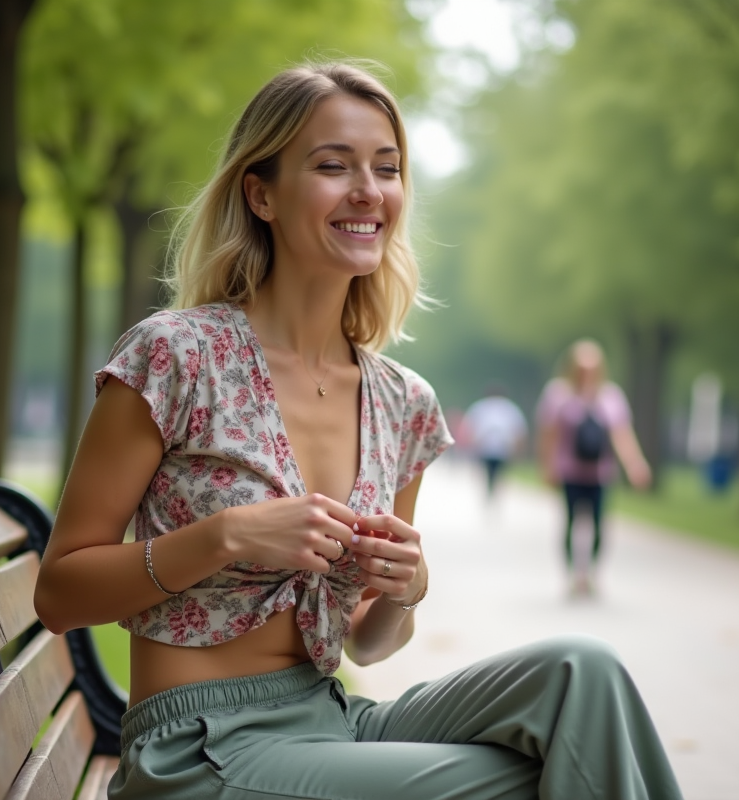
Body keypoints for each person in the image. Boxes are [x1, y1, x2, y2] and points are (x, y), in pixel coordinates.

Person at [35, 62, 682, 800]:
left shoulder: (402, 403)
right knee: (548, 777)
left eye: (388, 168)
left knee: (583, 675)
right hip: (197, 750)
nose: (369, 190)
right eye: (333, 166)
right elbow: (59, 592)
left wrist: (407, 588)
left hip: (330, 721)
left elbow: (367, 643)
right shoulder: (177, 355)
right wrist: (227, 536)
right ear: (262, 194)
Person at [537, 340, 651, 595]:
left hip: (600, 473)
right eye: (581, 368)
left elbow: (622, 435)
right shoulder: (558, 394)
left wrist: (635, 464)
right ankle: (572, 574)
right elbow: (549, 435)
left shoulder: (611, 397)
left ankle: (590, 573)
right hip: (569, 471)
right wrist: (548, 466)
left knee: (600, 525)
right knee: (570, 522)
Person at [461, 387, 528, 501]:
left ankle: (490, 490)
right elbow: (519, 430)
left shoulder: (481, 407)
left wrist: (471, 445)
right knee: (496, 472)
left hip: (488, 448)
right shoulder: (510, 408)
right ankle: (492, 490)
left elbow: (470, 427)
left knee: (490, 472)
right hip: (501, 448)